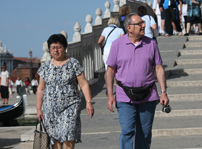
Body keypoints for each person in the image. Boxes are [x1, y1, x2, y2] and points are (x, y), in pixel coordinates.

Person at [105, 13, 169, 149]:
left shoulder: (151, 43)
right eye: (139, 23)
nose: (144, 25)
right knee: (127, 131)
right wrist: (110, 95)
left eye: (143, 23)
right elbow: (110, 71)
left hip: (148, 95)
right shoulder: (117, 44)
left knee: (144, 134)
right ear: (129, 27)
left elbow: (158, 68)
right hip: (124, 96)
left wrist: (163, 92)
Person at [36, 34, 94, 149]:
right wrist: (38, 109)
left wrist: (88, 101)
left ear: (65, 48)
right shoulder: (45, 67)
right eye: (53, 48)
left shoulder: (73, 63)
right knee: (55, 138)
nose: (56, 50)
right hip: (50, 109)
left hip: (70, 105)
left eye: (59, 47)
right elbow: (41, 89)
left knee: (68, 133)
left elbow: (83, 84)